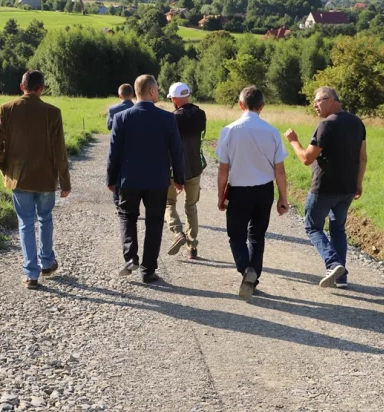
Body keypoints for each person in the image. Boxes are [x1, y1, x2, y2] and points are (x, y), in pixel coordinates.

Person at [0, 70, 72, 289]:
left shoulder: (6, 110)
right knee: (45, 218)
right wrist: (65, 182)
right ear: (42, 88)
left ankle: (31, 273)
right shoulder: (53, 113)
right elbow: (60, 151)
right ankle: (47, 262)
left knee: (25, 222)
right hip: (46, 178)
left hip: (19, 178)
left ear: (21, 86)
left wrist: (5, 168)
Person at [284, 86, 367, 289]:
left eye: (319, 100)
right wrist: (358, 183)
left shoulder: (326, 125)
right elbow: (362, 157)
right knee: (337, 228)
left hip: (324, 188)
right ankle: (341, 278)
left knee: (312, 226)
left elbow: (306, 158)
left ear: (332, 100)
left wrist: (293, 141)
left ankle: (333, 263)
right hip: (347, 188)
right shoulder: (357, 122)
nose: (315, 105)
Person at [106, 75, 185, 283]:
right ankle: (148, 270)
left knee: (126, 217)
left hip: (129, 179)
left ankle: (130, 257)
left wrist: (111, 179)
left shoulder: (121, 118)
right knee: (154, 223)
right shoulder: (168, 118)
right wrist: (179, 178)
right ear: (151, 92)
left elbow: (114, 152)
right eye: (157, 90)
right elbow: (177, 152)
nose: (158, 93)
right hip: (157, 181)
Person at [215, 86, 290, 301]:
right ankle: (253, 280)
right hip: (264, 191)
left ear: (240, 104)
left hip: (238, 191)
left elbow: (223, 170)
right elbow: (280, 171)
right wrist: (282, 198)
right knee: (257, 236)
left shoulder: (228, 130)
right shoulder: (272, 131)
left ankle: (245, 269)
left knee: (236, 236)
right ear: (262, 106)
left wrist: (221, 196)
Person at [164, 81, 207, 260]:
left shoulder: (171, 118)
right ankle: (192, 247)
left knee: (168, 203)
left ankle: (177, 232)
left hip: (175, 170)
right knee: (191, 206)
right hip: (195, 167)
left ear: (174, 98)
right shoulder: (201, 115)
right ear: (188, 95)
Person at [106, 84, 135, 205]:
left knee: (116, 170)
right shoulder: (137, 108)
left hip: (118, 145)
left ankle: (118, 202)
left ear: (119, 95)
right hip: (133, 146)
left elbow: (109, 126)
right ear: (132, 95)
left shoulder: (113, 110)